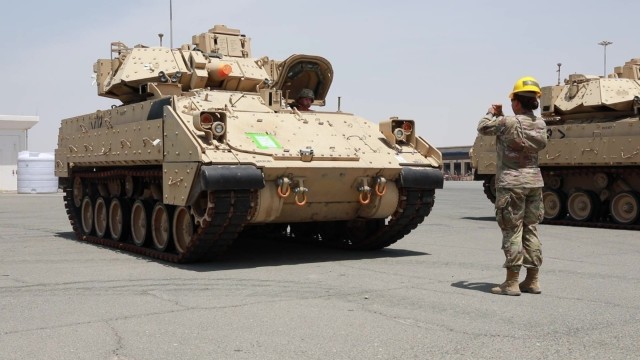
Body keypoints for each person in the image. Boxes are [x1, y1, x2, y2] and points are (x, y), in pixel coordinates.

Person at [477, 76, 548, 296]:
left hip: (512, 184)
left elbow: (483, 127)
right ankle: (533, 280)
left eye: (513, 100)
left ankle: (512, 282)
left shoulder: (507, 122)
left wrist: (491, 112)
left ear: (517, 102)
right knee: (531, 230)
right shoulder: (540, 123)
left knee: (512, 231)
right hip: (534, 183)